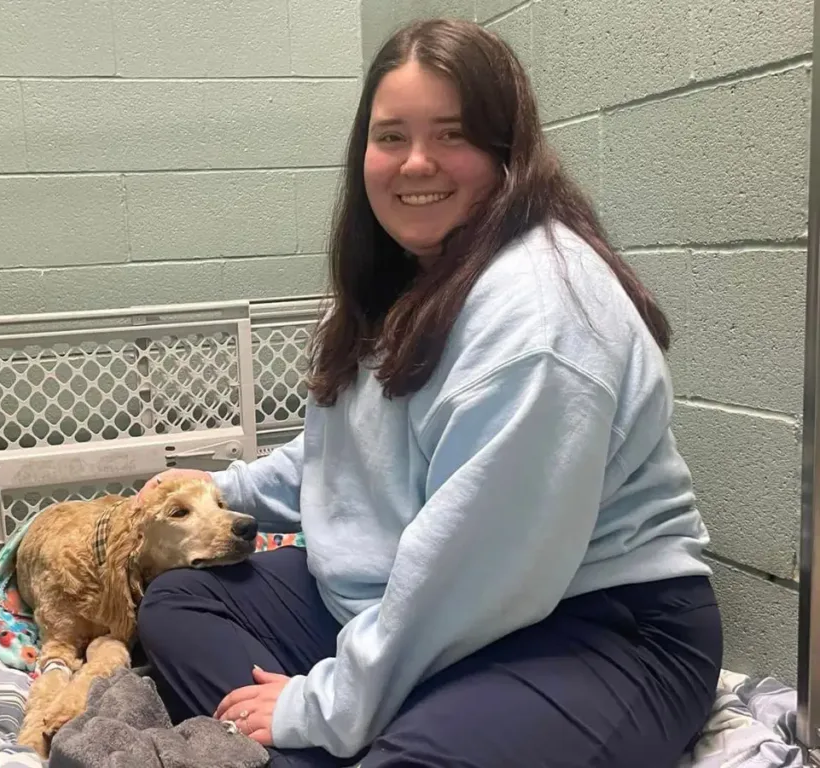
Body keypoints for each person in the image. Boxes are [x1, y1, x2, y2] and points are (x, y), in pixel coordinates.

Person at [134, 17, 722, 768]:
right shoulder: (396, 277)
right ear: (363, 153)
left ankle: (352, 736)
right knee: (183, 602)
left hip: (592, 623)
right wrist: (216, 486)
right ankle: (364, 727)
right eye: (391, 137)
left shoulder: (538, 314)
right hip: (405, 600)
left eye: (452, 135)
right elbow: (338, 459)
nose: (417, 163)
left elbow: (468, 569)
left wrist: (324, 705)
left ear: (509, 151)